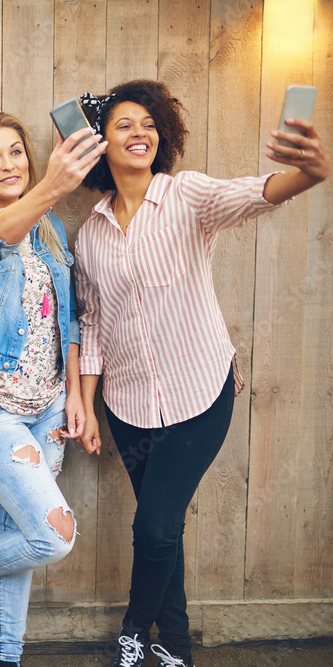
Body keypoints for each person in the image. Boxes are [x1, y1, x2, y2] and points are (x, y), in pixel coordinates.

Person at [73, 80, 329, 667]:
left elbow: (259, 193)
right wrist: (85, 406)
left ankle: (134, 633)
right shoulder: (88, 235)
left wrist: (308, 173)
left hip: (200, 391)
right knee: (163, 533)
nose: (141, 133)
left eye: (148, 124)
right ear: (99, 145)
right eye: (123, 125)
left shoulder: (187, 195)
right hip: (129, 404)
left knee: (154, 527)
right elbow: (94, 328)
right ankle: (179, 649)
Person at [0, 112, 104, 667]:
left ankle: (7, 656)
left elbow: (69, 320)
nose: (9, 164)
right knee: (54, 536)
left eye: (16, 152)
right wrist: (53, 185)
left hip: (48, 404)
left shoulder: (48, 229)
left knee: (23, 530)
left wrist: (77, 395)